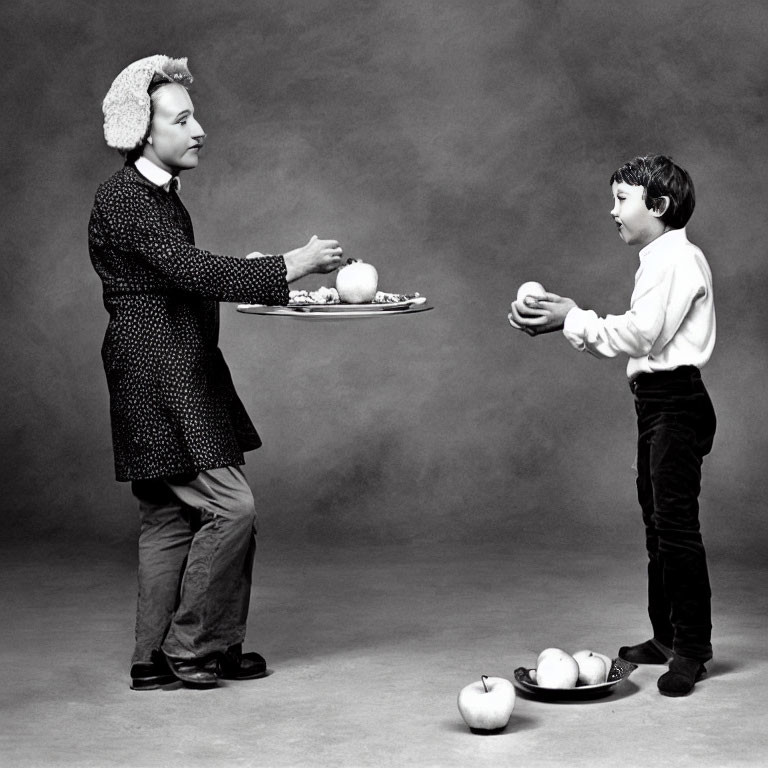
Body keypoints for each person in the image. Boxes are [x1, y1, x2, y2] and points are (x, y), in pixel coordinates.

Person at [89, 54, 343, 690]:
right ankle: (191, 647)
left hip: (157, 370)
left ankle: (157, 659)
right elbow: (193, 273)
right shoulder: (127, 199)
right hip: (164, 375)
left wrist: (261, 275)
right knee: (232, 508)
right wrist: (291, 264)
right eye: (182, 118)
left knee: (168, 518)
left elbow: (181, 267)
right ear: (145, 132)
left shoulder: (149, 195)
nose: (199, 128)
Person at [509, 155, 716, 697]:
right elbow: (640, 337)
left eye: (623, 199)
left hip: (675, 404)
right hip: (655, 405)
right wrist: (566, 321)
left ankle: (693, 649)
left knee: (675, 530)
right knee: (656, 526)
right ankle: (667, 637)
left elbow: (642, 335)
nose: (613, 211)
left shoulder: (675, 260)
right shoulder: (659, 257)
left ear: (660, 205)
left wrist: (571, 318)